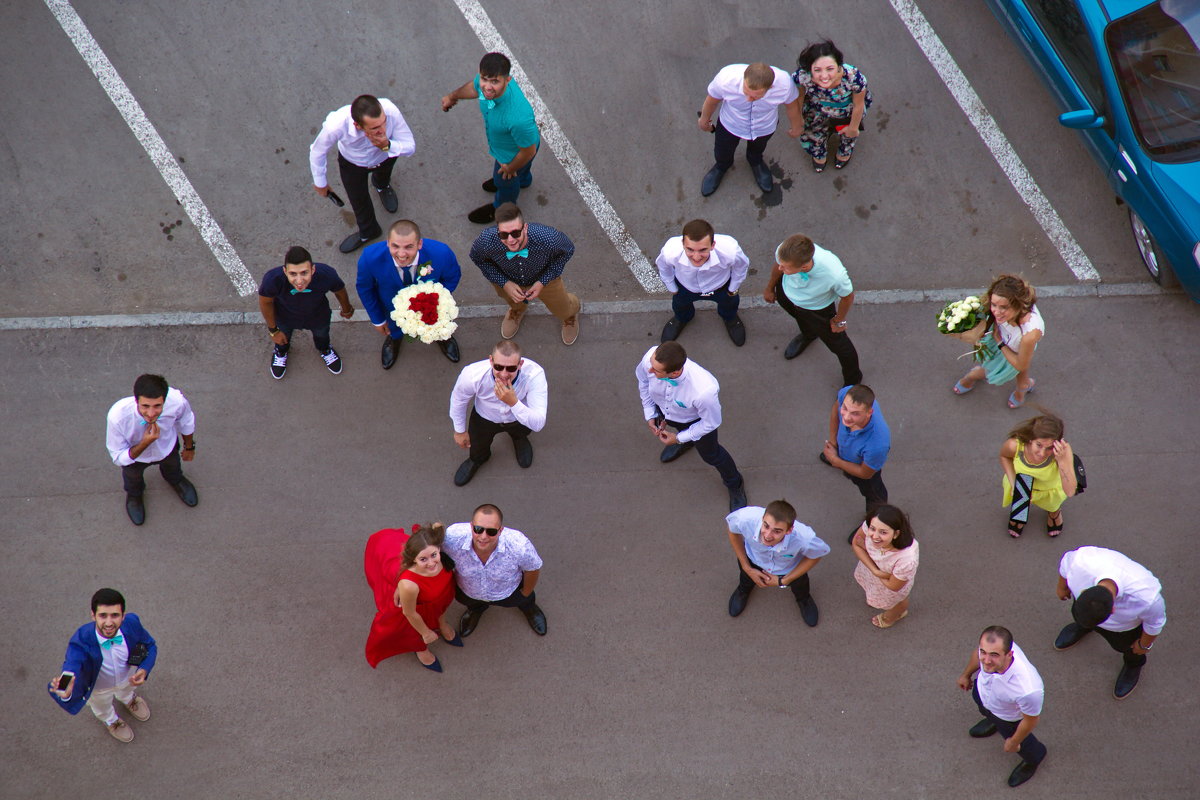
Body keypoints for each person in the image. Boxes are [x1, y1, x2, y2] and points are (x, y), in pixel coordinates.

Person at [636, 341, 747, 512]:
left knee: (712, 455)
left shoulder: (704, 391)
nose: (649, 369)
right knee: (680, 429)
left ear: (674, 372)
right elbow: (643, 382)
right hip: (666, 411)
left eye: (655, 371)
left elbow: (711, 423)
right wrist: (650, 412)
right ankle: (687, 442)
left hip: (695, 421)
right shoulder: (651, 359)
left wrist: (678, 438)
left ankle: (735, 483)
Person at [1054, 546, 1166, 699]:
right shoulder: (1081, 561)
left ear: (1113, 610)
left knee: (1129, 649)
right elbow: (1066, 563)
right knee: (1084, 616)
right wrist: (1062, 587)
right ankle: (1082, 626)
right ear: (1083, 592)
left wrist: (1143, 645)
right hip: (1091, 609)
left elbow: (1155, 624)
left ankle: (1133, 664)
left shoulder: (1147, 598)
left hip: (1124, 631)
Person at [441, 52, 540, 224]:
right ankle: (524, 179)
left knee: (505, 180)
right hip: (517, 143)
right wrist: (452, 96)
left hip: (513, 154)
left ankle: (502, 207)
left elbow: (528, 151)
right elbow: (474, 87)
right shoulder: (483, 83)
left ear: (507, 80)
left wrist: (510, 168)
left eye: (495, 81)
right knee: (519, 175)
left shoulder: (518, 117)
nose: (487, 87)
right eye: (484, 79)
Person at [48, 588, 157, 743]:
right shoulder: (81, 638)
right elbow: (72, 664)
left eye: (115, 615)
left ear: (123, 616)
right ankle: (111, 720)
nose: (109, 622)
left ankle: (128, 699)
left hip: (128, 677)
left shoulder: (132, 623)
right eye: (102, 615)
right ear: (93, 615)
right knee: (102, 707)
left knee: (127, 690)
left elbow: (150, 644)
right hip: (99, 689)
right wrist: (64, 689)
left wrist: (144, 669)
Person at [309, 94, 415, 254]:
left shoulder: (390, 111)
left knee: (384, 174)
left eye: (383, 123)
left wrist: (387, 145)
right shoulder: (336, 125)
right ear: (357, 125)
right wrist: (320, 182)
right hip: (353, 164)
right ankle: (369, 231)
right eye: (374, 128)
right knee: (358, 198)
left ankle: (382, 186)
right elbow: (318, 151)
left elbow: (409, 146)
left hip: (385, 156)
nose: (383, 130)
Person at [469, 202, 581, 345]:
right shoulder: (486, 241)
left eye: (516, 233)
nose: (510, 240)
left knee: (563, 308)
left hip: (545, 278)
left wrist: (543, 281)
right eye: (503, 234)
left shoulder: (548, 238)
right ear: (497, 230)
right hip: (507, 278)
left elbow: (568, 249)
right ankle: (517, 310)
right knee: (513, 302)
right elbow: (477, 258)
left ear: (525, 227)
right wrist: (504, 282)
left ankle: (570, 315)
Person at [356, 219, 463, 367]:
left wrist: (436, 301)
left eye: (409, 247)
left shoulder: (442, 253)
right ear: (388, 242)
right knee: (394, 327)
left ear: (419, 244)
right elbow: (365, 288)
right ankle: (395, 338)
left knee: (438, 325)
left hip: (432, 307)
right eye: (395, 246)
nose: (401, 254)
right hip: (390, 307)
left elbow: (452, 277)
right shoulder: (369, 257)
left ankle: (442, 337)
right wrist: (378, 319)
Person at [764, 233, 862, 385]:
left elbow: (847, 296)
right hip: (788, 294)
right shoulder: (786, 251)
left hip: (817, 309)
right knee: (801, 319)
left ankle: (853, 380)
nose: (780, 267)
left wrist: (838, 320)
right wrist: (770, 288)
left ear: (803, 267)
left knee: (841, 347)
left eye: (785, 267)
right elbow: (778, 267)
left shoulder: (834, 274)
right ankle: (808, 335)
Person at [956, 626, 1046, 788]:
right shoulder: (989, 652)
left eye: (994, 655)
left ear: (1009, 654)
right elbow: (978, 655)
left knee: (1025, 745)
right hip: (984, 695)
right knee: (985, 711)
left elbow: (1031, 720)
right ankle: (992, 722)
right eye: (983, 652)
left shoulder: (1028, 689)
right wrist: (966, 674)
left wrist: (1014, 741)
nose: (986, 660)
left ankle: (1034, 758)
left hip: (1008, 717)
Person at [449, 340, 548, 486]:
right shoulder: (472, 375)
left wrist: (513, 402)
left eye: (511, 368)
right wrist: (459, 431)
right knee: (478, 445)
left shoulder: (534, 375)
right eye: (498, 367)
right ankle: (477, 459)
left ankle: (519, 440)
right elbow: (459, 400)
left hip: (518, 417)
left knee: (521, 432)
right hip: (484, 417)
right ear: (491, 361)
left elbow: (538, 424)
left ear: (520, 365)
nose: (503, 374)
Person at [363, 524, 459, 673]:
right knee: (412, 632)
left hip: (441, 597)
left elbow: (438, 526)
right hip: (420, 608)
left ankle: (442, 624)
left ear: (438, 549)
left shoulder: (439, 556)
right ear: (414, 560)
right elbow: (410, 613)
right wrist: (426, 633)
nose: (431, 563)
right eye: (423, 559)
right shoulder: (409, 585)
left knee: (441, 608)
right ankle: (420, 649)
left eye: (434, 555)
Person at [105, 374, 197, 526]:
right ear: (136, 401)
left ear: (165, 400)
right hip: (135, 458)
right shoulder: (118, 417)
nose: (151, 413)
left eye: (157, 406)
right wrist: (145, 443)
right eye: (145, 406)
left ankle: (176, 480)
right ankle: (135, 496)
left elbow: (186, 421)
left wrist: (189, 447)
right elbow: (118, 456)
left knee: (173, 467)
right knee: (133, 479)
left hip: (167, 447)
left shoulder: (177, 402)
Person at [442, 503, 546, 637]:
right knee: (472, 604)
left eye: (491, 531)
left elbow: (533, 568)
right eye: (478, 529)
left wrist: (525, 593)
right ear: (471, 526)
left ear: (501, 530)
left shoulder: (519, 545)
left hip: (508, 591)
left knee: (525, 600)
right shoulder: (452, 538)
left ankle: (529, 608)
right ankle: (476, 610)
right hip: (468, 591)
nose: (483, 536)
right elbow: (432, 550)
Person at [698, 62, 802, 195]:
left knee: (758, 148)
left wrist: (796, 126)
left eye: (755, 96)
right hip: (731, 123)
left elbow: (792, 106)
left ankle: (755, 161)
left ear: (770, 87)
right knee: (722, 149)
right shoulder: (726, 79)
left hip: (764, 126)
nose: (748, 99)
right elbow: (711, 101)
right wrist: (704, 120)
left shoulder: (785, 84)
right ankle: (721, 166)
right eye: (745, 91)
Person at [725, 500, 828, 626]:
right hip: (753, 559)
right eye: (766, 525)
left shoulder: (804, 538)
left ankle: (803, 599)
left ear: (789, 530)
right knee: (745, 577)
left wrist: (783, 581)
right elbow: (732, 531)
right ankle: (743, 590)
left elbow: (816, 555)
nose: (768, 535)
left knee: (800, 585)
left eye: (777, 531)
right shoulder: (745, 518)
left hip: (789, 568)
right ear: (762, 518)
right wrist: (747, 568)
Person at [258, 245, 354, 379]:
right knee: (282, 339)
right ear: (285, 271)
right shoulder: (272, 280)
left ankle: (325, 349)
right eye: (293, 274)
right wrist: (273, 331)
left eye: (304, 273)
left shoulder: (326, 274)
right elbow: (265, 302)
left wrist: (347, 308)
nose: (299, 281)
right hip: (284, 317)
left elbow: (339, 290)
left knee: (322, 335)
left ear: (313, 269)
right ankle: (281, 351)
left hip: (318, 316)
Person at [952, 274, 1044, 408]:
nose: (996, 311)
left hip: (1013, 350)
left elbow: (1020, 364)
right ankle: (1024, 386)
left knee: (995, 369)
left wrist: (999, 341)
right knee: (1022, 370)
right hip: (1001, 338)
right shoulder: (1006, 306)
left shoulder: (1030, 333)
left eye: (1004, 307)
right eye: (994, 304)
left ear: (1018, 305)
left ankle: (974, 375)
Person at [655, 219, 749, 346]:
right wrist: (672, 287)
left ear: (713, 245)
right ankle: (682, 318)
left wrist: (732, 289)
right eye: (690, 249)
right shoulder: (670, 252)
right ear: (682, 243)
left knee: (729, 305)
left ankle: (730, 318)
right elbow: (663, 267)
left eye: (703, 250)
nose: (696, 257)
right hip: (685, 286)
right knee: (680, 305)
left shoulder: (730, 251)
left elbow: (741, 267)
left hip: (721, 286)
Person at [792, 40, 873, 172]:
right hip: (816, 110)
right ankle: (819, 155)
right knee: (813, 134)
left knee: (848, 135)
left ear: (838, 65)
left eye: (830, 69)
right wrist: (798, 119)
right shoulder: (802, 77)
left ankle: (844, 152)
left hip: (846, 112)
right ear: (809, 69)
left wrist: (853, 128)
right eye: (817, 70)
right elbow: (799, 97)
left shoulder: (854, 77)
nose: (824, 76)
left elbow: (858, 104)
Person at [1000, 414, 1078, 538]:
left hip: (1049, 489)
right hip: (1022, 484)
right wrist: (1014, 483)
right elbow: (1005, 457)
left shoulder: (1062, 452)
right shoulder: (1014, 445)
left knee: (1053, 505)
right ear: (1031, 438)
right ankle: (1020, 515)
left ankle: (1054, 513)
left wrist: (1062, 461)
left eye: (1049, 448)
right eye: (1039, 445)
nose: (1042, 453)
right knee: (1019, 509)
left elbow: (1070, 491)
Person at [821, 384, 890, 518]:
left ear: (869, 412)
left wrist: (836, 460)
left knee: (874, 494)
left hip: (864, 471)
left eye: (855, 414)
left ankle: (872, 522)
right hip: (845, 453)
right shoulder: (847, 393)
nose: (846, 417)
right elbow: (836, 409)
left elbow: (865, 473)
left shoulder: (877, 444)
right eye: (845, 409)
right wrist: (833, 442)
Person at [850, 505, 919, 628]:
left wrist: (877, 572)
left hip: (890, 587)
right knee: (875, 594)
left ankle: (892, 616)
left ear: (896, 534)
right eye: (872, 529)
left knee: (899, 602)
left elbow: (894, 586)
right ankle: (876, 598)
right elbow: (856, 544)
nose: (875, 536)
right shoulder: (871, 525)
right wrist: (877, 571)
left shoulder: (906, 559)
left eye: (883, 532)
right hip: (877, 575)